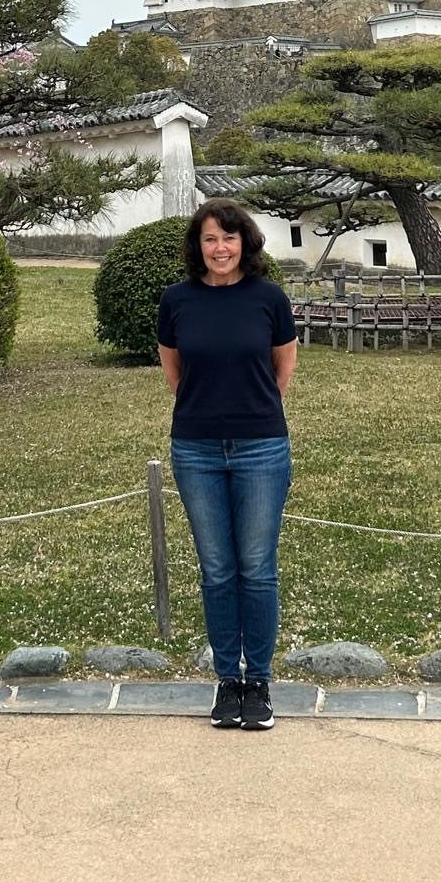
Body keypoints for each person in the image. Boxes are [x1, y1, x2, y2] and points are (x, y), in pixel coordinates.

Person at [157, 198, 299, 730]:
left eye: (230, 238)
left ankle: (257, 681)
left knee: (257, 570)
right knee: (217, 571)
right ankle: (227, 681)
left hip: (261, 445)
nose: (221, 248)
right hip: (195, 448)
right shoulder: (176, 300)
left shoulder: (269, 298)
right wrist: (207, 410)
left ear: (246, 243)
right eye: (211, 239)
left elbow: (283, 365)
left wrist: (252, 408)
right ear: (198, 246)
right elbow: (174, 372)